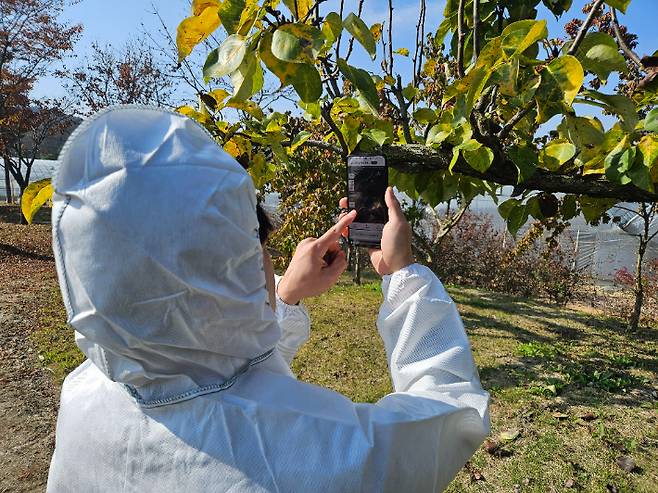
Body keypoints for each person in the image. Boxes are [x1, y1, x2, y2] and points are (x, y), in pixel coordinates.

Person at [47, 106, 490, 492]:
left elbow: (211, 374)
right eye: (253, 245)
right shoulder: (329, 458)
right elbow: (450, 416)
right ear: (231, 263)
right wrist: (402, 276)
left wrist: (285, 296)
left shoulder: (83, 395)